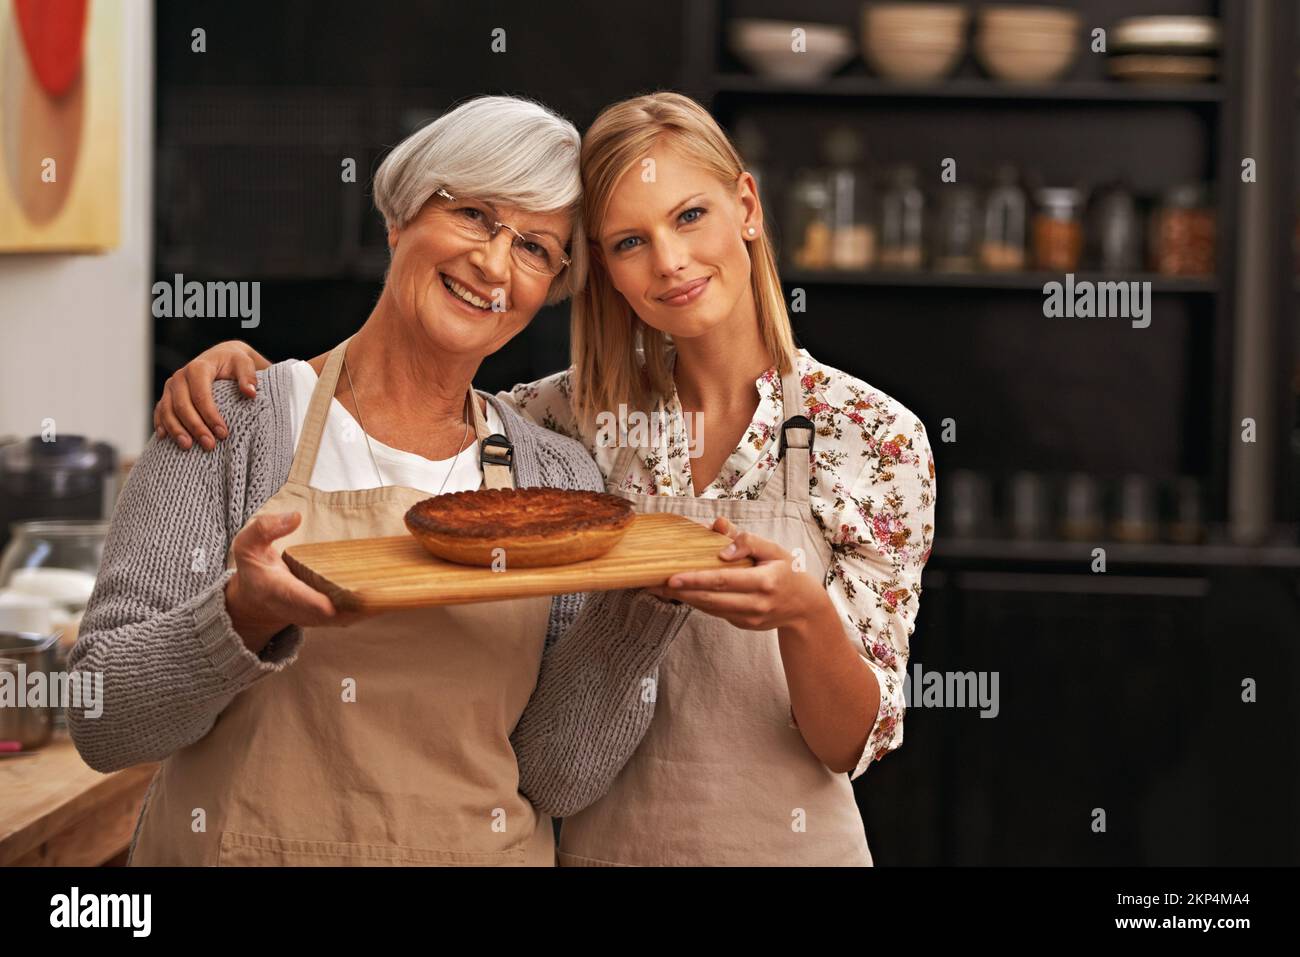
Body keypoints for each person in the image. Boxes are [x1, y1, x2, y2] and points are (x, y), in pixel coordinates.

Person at [153, 92, 936, 866]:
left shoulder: (875, 437)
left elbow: (846, 745)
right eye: (630, 241)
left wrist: (802, 613)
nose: (669, 261)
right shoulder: (558, 421)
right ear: (602, 271)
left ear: (747, 206)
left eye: (690, 215)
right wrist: (259, 374)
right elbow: (406, 387)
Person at [69, 95, 691, 867]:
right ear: (400, 218)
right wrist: (240, 615)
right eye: (472, 214)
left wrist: (642, 613)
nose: (494, 263)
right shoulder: (231, 419)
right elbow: (100, 719)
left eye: (535, 248)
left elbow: (554, 778)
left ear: (552, 287)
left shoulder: (551, 472)